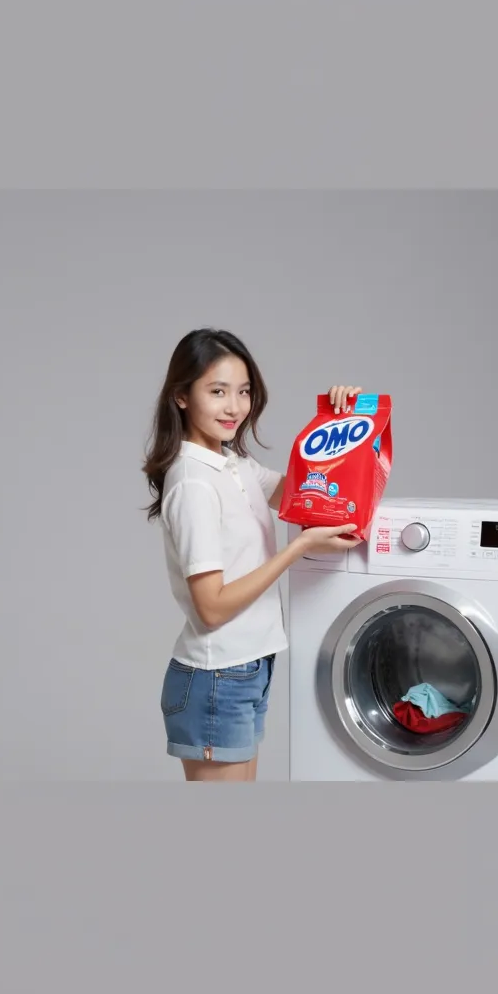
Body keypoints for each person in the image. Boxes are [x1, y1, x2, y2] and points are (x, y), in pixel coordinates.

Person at [142, 328, 362, 783]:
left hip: (247, 668)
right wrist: (299, 547)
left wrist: (342, 422)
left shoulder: (233, 466)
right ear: (182, 397)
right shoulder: (194, 483)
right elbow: (212, 607)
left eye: (243, 391)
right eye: (217, 391)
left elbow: (314, 498)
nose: (234, 407)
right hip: (216, 675)